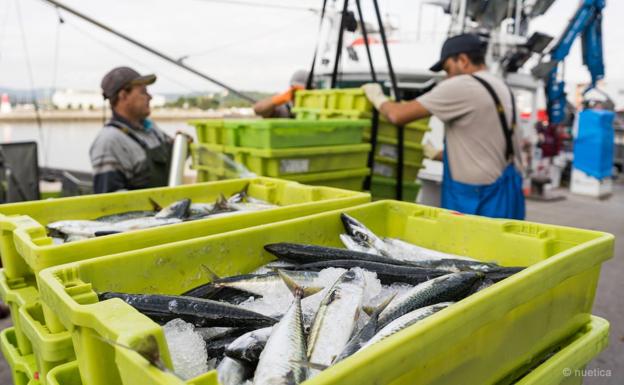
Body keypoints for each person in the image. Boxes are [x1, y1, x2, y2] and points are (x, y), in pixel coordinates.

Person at [362, 33, 525, 219]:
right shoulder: (501, 87)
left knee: (466, 247)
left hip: (475, 199)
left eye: (448, 69)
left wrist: (377, 97)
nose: (447, 77)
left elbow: (398, 115)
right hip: (507, 193)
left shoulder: (463, 85)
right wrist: (437, 154)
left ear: (463, 60)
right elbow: (488, 146)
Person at [90, 66, 174, 193]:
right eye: (143, 92)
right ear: (123, 95)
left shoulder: (151, 129)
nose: (149, 97)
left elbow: (172, 157)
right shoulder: (109, 141)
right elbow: (110, 203)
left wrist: (181, 143)